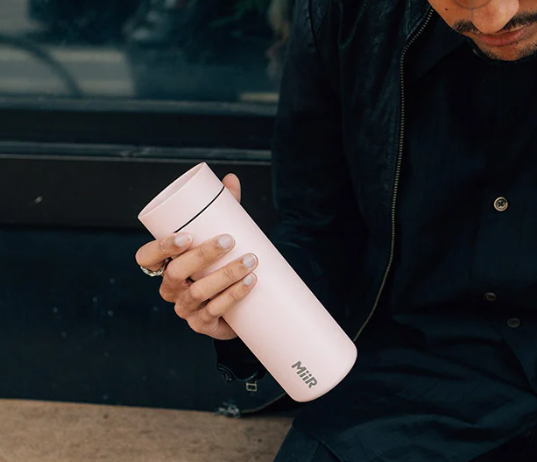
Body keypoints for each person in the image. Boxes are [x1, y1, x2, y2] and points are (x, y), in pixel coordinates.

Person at [135, 0, 537, 460]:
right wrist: (245, 308)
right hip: (422, 372)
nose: (493, 20)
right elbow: (319, 227)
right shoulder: (345, 12)